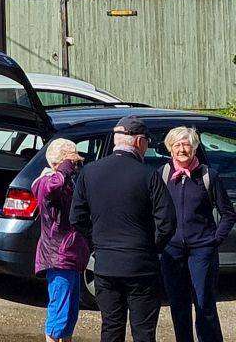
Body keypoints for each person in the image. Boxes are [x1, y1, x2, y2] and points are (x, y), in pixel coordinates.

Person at [71, 116, 176, 342]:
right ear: (139, 141)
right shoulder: (149, 174)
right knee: (144, 331)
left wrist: (98, 242)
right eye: (147, 141)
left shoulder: (89, 172)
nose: (147, 146)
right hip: (141, 266)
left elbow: (76, 217)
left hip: (105, 264)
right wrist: (151, 247)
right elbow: (167, 221)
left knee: (111, 327)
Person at [158, 125, 235, 342]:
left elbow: (228, 214)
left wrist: (214, 240)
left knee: (204, 304)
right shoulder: (162, 175)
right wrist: (160, 240)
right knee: (178, 304)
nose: (182, 149)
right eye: (177, 145)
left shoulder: (208, 175)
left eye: (187, 144)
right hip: (172, 251)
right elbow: (153, 212)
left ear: (194, 147)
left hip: (202, 250)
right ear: (170, 149)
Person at [34, 137, 91, 342]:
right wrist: (65, 166)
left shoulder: (67, 183)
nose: (75, 167)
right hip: (58, 255)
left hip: (71, 254)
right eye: (72, 163)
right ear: (59, 163)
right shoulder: (45, 183)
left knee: (70, 313)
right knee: (59, 310)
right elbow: (52, 189)